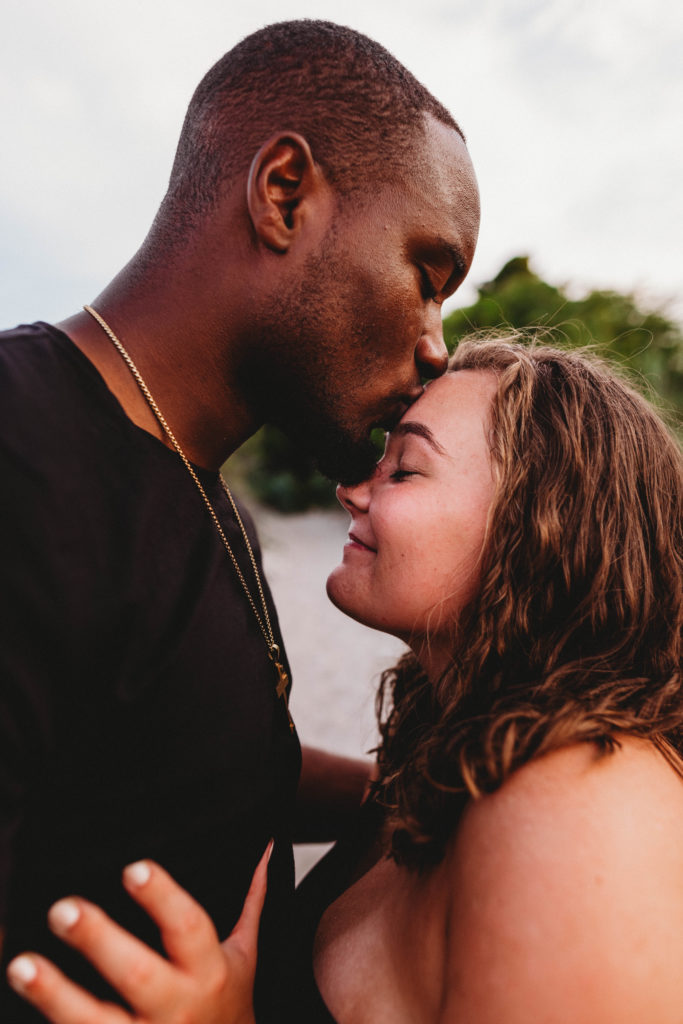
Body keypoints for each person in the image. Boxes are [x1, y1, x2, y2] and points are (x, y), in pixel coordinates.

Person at [0, 20, 480, 1023]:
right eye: (427, 274)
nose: (436, 343)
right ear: (283, 195)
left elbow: (212, 758)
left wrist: (430, 794)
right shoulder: (19, 448)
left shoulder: (206, 495)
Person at [9, 338, 683, 1022]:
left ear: (539, 526)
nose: (351, 489)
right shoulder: (445, 749)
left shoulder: (587, 810)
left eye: (405, 470)